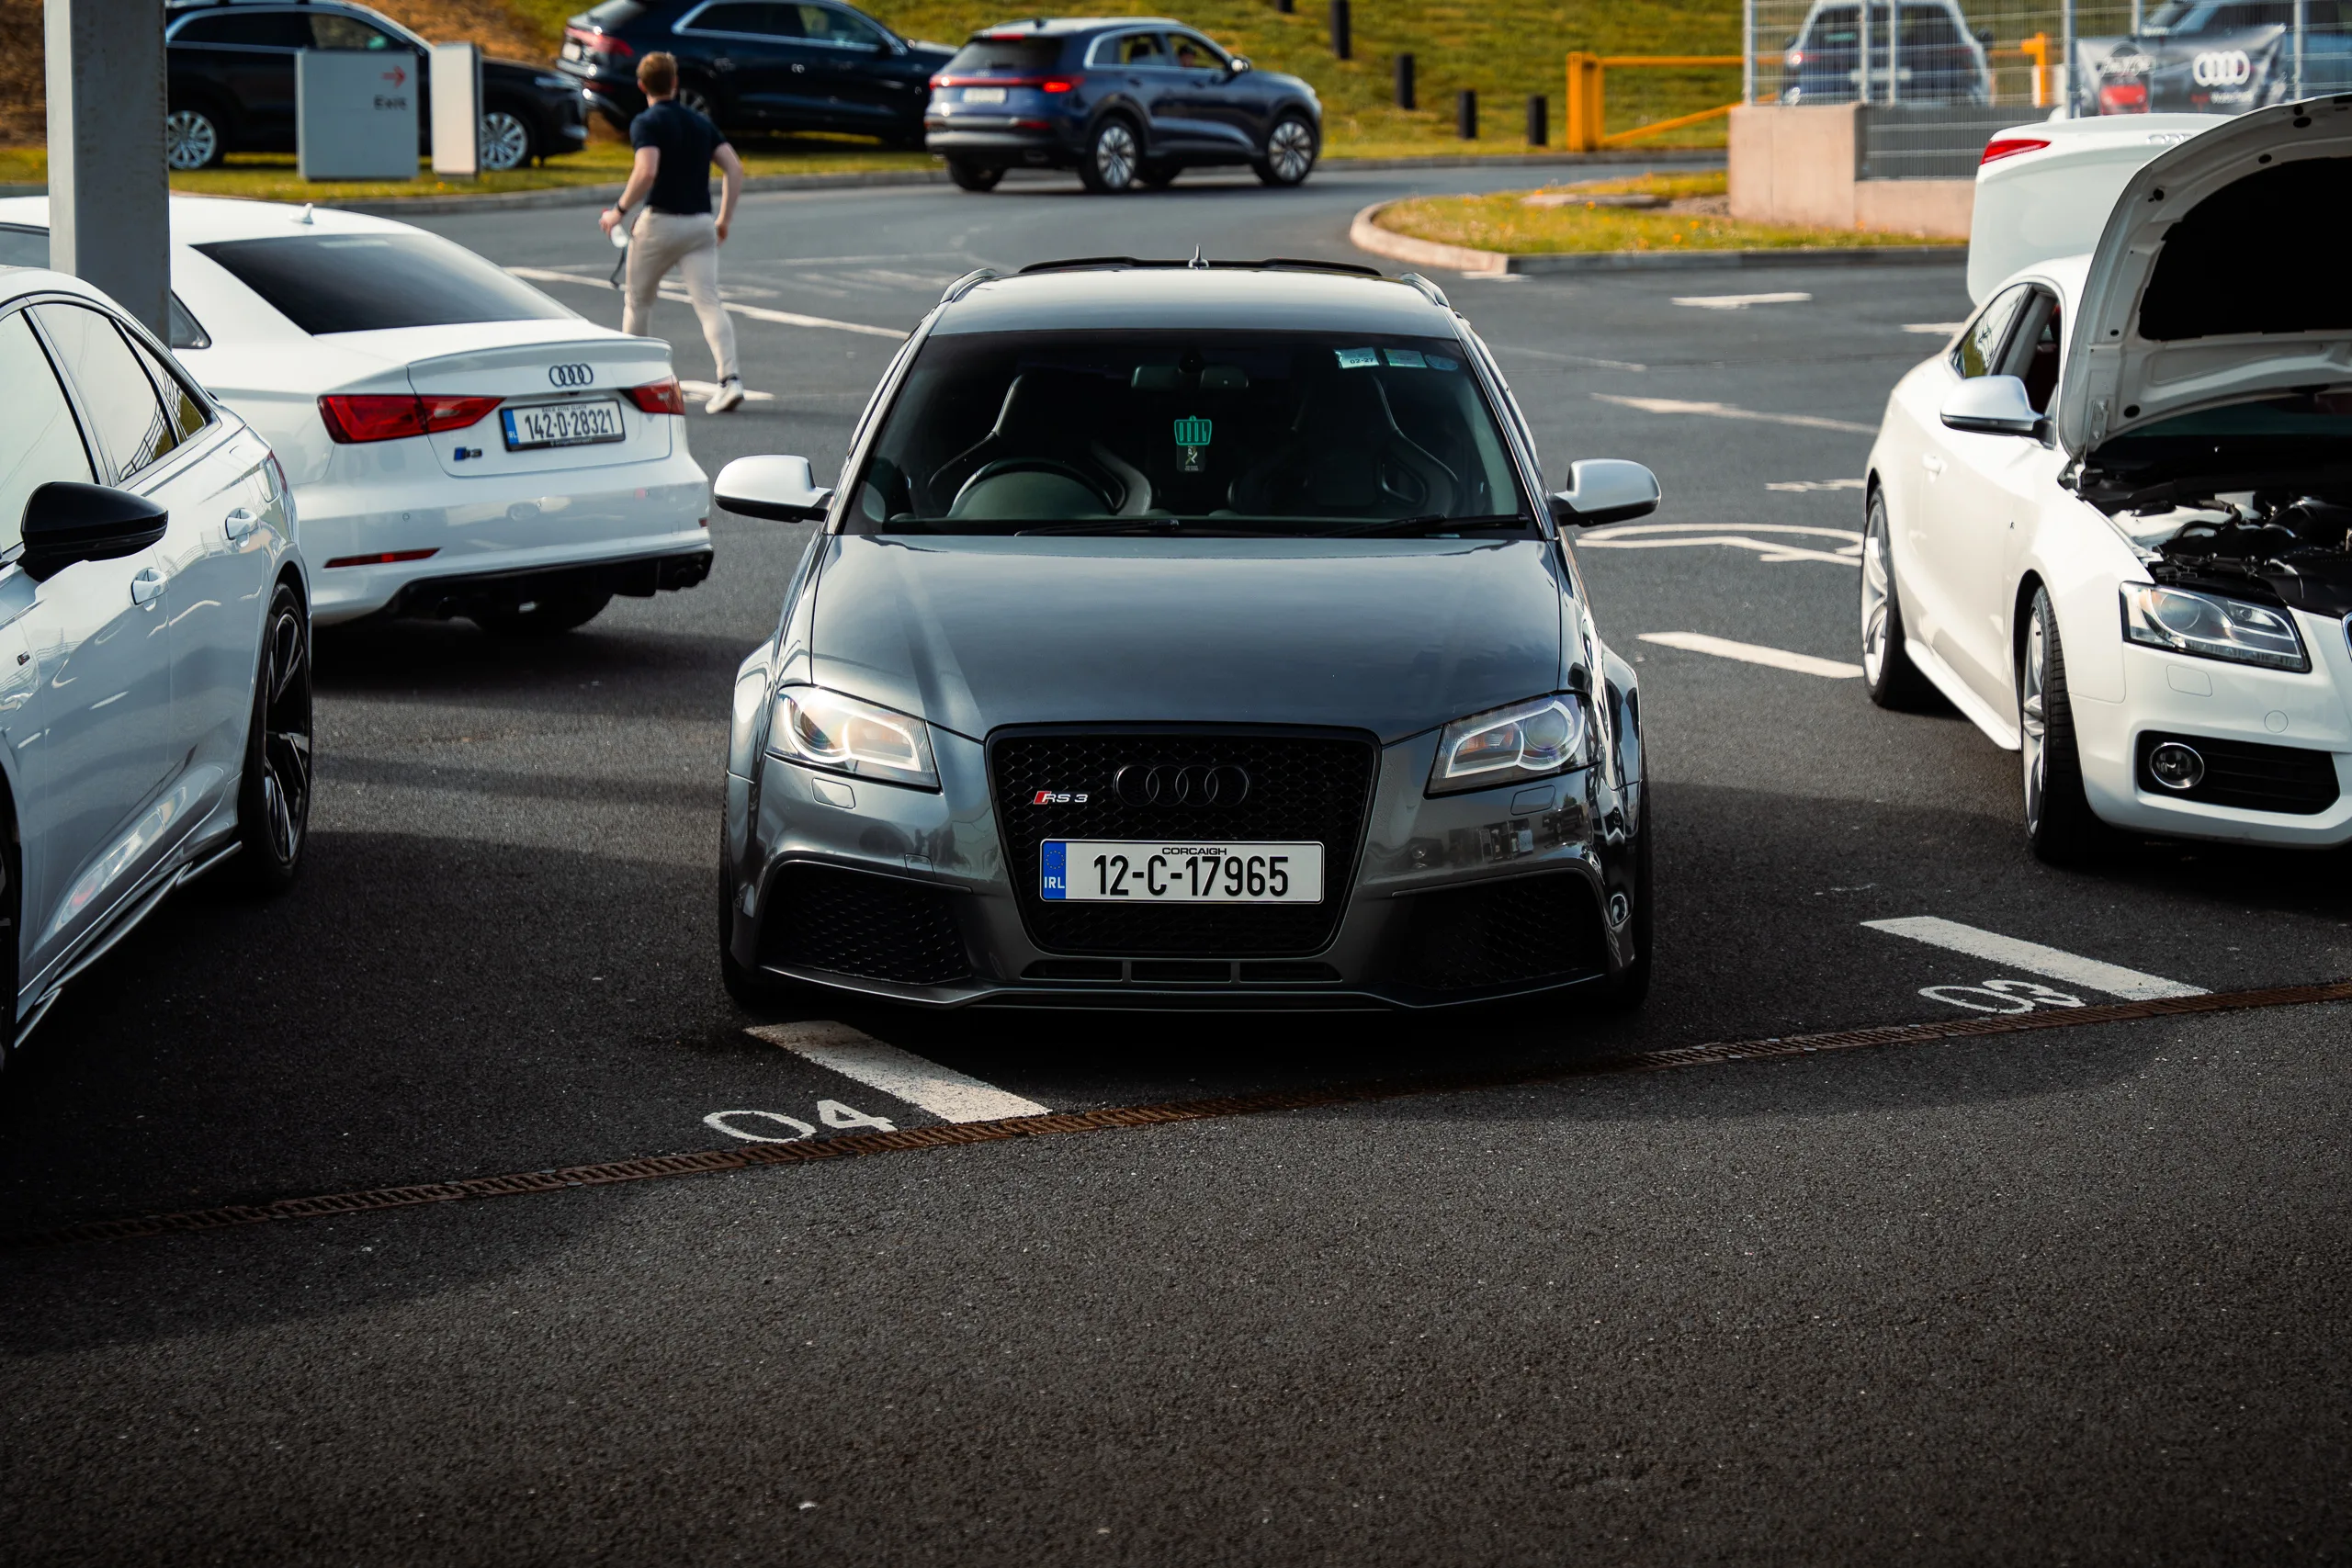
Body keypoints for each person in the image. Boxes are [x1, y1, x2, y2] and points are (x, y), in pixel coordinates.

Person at [599, 52, 747, 413]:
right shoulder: (699, 122)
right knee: (709, 302)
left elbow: (647, 171)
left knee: (638, 301)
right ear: (675, 83)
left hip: (660, 223)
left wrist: (618, 211)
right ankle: (730, 380)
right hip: (700, 223)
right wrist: (723, 219)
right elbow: (734, 168)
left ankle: (634, 382)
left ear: (641, 85)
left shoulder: (646, 123)